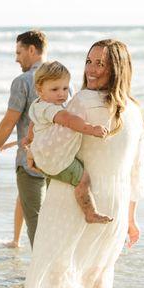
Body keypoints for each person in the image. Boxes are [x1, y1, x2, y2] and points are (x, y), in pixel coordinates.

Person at [18, 40, 144, 288]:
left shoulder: (82, 101)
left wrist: (32, 153)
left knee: (60, 276)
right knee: (99, 278)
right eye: (89, 61)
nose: (92, 70)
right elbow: (136, 172)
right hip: (115, 205)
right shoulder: (135, 111)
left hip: (73, 202)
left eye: (100, 63)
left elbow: (53, 154)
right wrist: (131, 218)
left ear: (117, 68)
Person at [0, 30, 49, 248]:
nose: (16, 58)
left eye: (19, 52)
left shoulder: (24, 81)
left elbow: (8, 122)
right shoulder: (64, 81)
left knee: (36, 221)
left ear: (32, 50)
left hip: (29, 162)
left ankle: (41, 276)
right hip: (57, 160)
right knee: (51, 219)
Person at [25, 61, 112, 224]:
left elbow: (32, 124)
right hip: (55, 160)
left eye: (65, 88)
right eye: (55, 89)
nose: (62, 94)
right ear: (39, 89)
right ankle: (90, 212)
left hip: (42, 157)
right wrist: (91, 129)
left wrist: (29, 141)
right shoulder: (50, 109)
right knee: (84, 180)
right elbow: (68, 119)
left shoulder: (37, 105)